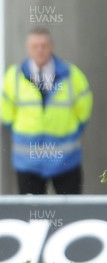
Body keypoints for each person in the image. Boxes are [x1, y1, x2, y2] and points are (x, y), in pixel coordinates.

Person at [0, 27, 93, 194]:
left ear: (51, 47)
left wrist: (73, 130)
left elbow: (84, 108)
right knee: (31, 215)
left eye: (44, 45)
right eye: (35, 46)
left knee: (71, 214)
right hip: (28, 162)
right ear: (28, 49)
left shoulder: (72, 75)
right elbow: (6, 113)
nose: (40, 50)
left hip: (65, 161)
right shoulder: (13, 77)